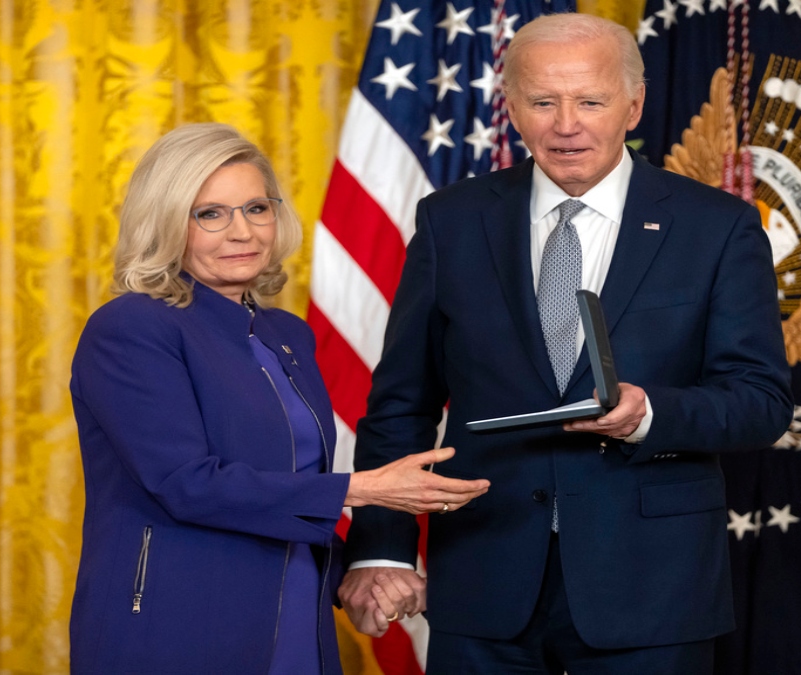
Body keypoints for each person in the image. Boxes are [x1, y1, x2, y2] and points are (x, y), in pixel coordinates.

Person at [338, 13, 793, 674]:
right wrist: (382, 549)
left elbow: (761, 400)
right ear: (512, 108)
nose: (566, 123)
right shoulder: (451, 221)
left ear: (633, 105)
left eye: (590, 101)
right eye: (543, 101)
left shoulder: (718, 228)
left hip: (650, 588)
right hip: (483, 577)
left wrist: (649, 413)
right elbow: (400, 403)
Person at [68, 123, 489, 674]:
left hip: (294, 611)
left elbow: (281, 490)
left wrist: (356, 574)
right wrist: (360, 489)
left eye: (256, 208)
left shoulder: (286, 333)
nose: (242, 231)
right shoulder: (130, 327)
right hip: (177, 620)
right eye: (210, 214)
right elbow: (186, 484)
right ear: (167, 223)